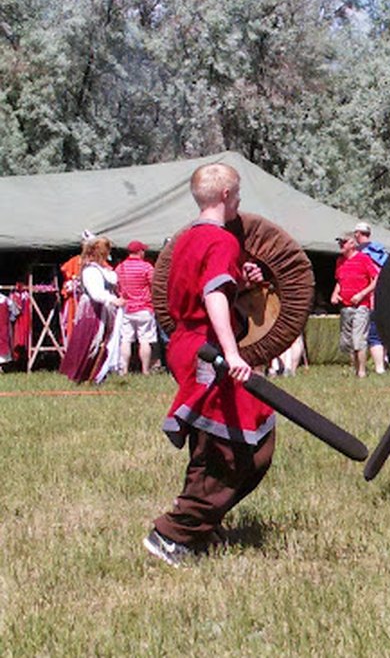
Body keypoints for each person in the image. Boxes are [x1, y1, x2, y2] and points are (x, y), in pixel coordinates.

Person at [143, 163, 276, 567]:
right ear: (224, 196)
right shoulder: (222, 241)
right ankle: (172, 534)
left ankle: (202, 525)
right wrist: (231, 353)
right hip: (208, 351)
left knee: (232, 440)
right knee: (233, 446)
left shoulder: (185, 239)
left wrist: (245, 281)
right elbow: (214, 293)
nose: (239, 202)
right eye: (236, 195)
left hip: (189, 345)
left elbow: (209, 286)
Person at [59, 237, 125, 383]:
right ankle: (82, 374)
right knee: (90, 341)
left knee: (104, 342)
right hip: (93, 312)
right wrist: (112, 300)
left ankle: (97, 373)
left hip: (104, 311)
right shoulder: (90, 270)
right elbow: (96, 293)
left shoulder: (102, 270)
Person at [332, 232, 379, 378]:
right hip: (345, 306)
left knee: (359, 339)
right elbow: (340, 280)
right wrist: (335, 293)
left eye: (344, 242)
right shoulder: (340, 261)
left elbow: (376, 279)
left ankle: (362, 371)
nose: (341, 245)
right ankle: (356, 368)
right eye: (339, 242)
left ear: (352, 243)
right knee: (348, 341)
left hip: (361, 306)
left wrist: (361, 294)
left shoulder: (364, 259)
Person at [115, 240, 157, 375]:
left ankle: (124, 369)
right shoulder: (147, 267)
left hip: (127, 308)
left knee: (126, 340)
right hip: (145, 308)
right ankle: (145, 370)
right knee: (145, 340)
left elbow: (117, 286)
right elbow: (154, 285)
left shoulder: (120, 267)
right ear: (140, 252)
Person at [353, 222, 388, 375]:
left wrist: (361, 294)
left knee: (372, 335)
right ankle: (384, 361)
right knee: (383, 333)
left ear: (358, 234)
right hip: (386, 299)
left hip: (370, 300)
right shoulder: (381, 252)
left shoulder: (363, 255)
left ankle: (379, 367)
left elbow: (374, 278)